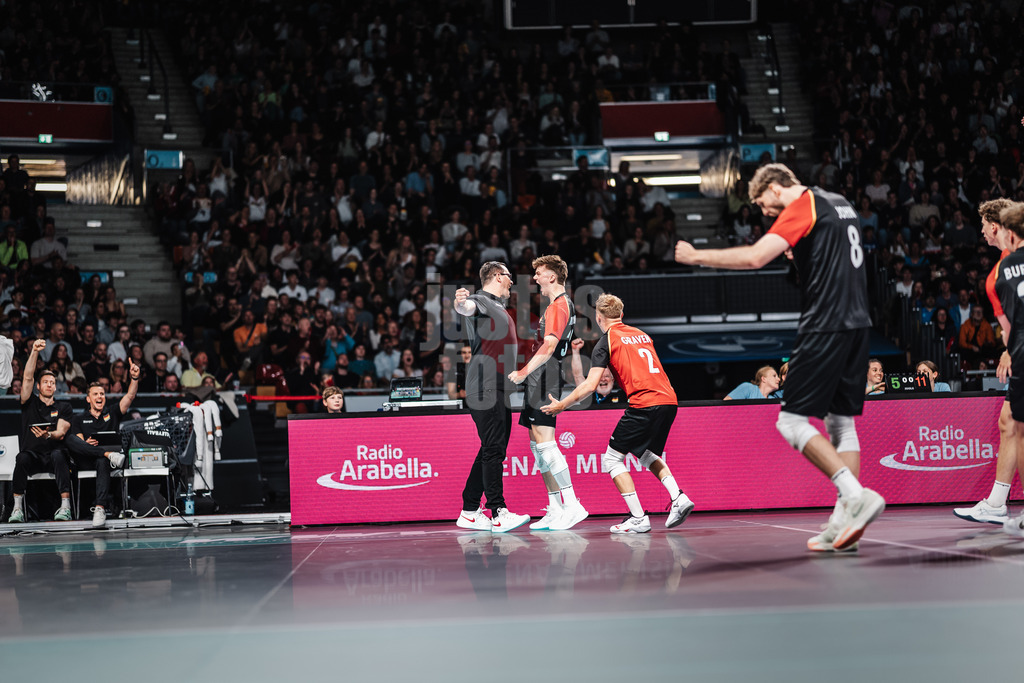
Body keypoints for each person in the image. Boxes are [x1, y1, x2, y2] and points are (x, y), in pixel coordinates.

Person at [675, 162, 885, 552]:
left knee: (790, 422)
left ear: (773, 188)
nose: (766, 214)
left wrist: (697, 256)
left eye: (762, 205)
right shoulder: (839, 202)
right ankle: (844, 523)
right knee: (841, 423)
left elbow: (756, 257)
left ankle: (856, 496)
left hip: (825, 323)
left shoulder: (802, 204)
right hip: (859, 322)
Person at [542, 294, 694, 533]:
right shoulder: (643, 335)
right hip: (669, 400)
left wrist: (562, 404)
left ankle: (638, 518)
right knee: (646, 454)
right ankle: (679, 498)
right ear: (622, 315)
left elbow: (590, 385)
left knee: (612, 459)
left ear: (599, 317)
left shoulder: (606, 341)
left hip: (644, 402)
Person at [507, 255, 587, 530]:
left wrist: (523, 372)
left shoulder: (558, 306)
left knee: (546, 443)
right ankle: (555, 507)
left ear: (552, 276)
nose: (536, 278)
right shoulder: (558, 305)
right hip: (541, 379)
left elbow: (550, 347)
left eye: (539, 273)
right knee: (536, 443)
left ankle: (573, 505)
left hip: (545, 378)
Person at [452, 261, 530, 534]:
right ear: (498, 276)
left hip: (498, 388)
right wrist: (460, 302)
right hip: (484, 386)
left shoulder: (499, 307)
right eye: (509, 277)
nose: (511, 282)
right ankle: (498, 512)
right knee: (493, 449)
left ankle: (470, 510)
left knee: (492, 449)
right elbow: (466, 308)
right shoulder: (480, 300)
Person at [955, 198, 1018, 525]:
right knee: (1010, 422)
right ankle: (996, 502)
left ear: (995, 227)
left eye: (982, 226)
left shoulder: (1003, 271)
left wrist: (1010, 350)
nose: (980, 232)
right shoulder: (1002, 267)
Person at [66, 359, 141, 528]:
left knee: (102, 461)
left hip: (106, 463)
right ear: (88, 399)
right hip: (86, 459)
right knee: (71, 439)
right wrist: (85, 442)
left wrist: (134, 379)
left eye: (102, 394)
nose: (100, 397)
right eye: (95, 394)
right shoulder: (79, 418)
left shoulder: (113, 412)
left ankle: (99, 508)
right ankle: (107, 454)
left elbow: (130, 396)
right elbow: (79, 443)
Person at [8, 339, 74, 523]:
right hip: (34, 456)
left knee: (60, 454)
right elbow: (28, 377)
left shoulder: (64, 406)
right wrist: (35, 351)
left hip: (53, 457)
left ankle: (65, 507)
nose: (49, 385)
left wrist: (48, 435)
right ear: (38, 386)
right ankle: (17, 509)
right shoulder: (29, 403)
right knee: (21, 458)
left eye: (52, 382)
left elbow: (61, 432)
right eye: (45, 382)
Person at [989, 203, 1024, 537]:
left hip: (1022, 351)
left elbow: (1008, 327)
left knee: (1020, 429)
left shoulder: (1004, 270)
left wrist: (1008, 350)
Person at [570, 338, 626, 405]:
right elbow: (578, 376)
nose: (603, 379)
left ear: (613, 379)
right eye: (599, 377)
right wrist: (575, 351)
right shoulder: (588, 397)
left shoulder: (622, 396)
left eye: (607, 376)